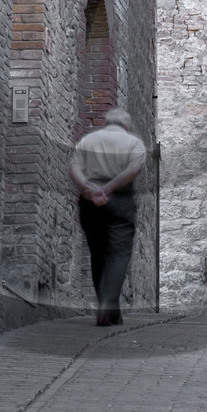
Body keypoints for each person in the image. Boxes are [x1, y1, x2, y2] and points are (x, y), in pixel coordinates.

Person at [69, 106, 146, 326]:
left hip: (90, 201)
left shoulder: (87, 141)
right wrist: (109, 188)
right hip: (119, 200)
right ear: (126, 124)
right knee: (119, 254)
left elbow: (74, 168)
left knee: (98, 254)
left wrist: (90, 188)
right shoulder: (134, 143)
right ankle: (108, 305)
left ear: (106, 123)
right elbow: (133, 170)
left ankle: (108, 306)